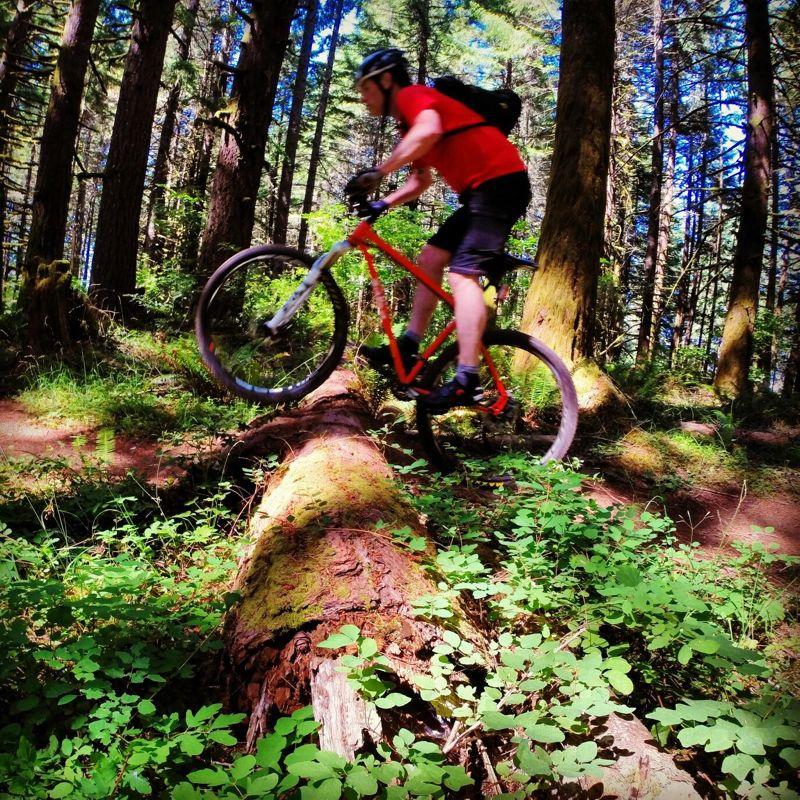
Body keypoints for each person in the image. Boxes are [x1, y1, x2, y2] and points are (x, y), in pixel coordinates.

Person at [347, 47, 531, 412]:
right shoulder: (408, 124)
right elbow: (420, 180)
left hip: (500, 186)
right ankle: (411, 344)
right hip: (482, 195)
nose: (363, 98)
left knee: (462, 276)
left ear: (386, 81)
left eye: (365, 88)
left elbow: (430, 130)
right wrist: (383, 203)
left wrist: (379, 172)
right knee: (430, 258)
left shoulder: (416, 97)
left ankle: (466, 378)